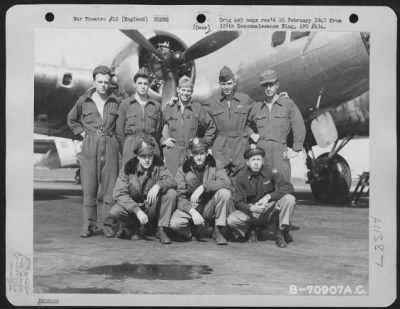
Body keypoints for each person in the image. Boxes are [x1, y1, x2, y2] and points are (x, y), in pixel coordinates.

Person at [67, 65, 121, 238]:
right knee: (90, 187)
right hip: (90, 144)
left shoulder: (116, 101)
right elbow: (71, 119)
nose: (103, 85)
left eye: (106, 82)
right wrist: (82, 133)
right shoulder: (84, 100)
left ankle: (108, 224)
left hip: (110, 142)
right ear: (94, 82)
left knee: (110, 188)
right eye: (100, 82)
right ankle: (89, 225)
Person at [227, 144, 296, 248]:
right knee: (232, 220)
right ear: (248, 162)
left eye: (258, 160)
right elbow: (237, 201)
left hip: (268, 210)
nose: (256, 163)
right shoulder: (241, 176)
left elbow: (288, 187)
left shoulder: (271, 171)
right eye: (253, 160)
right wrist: (250, 208)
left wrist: (269, 197)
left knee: (289, 199)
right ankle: (250, 230)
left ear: (263, 161)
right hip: (251, 212)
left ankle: (281, 233)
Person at [110, 138, 177, 244]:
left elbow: (172, 180)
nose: (147, 160)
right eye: (143, 156)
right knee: (115, 211)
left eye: (150, 156)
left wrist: (159, 185)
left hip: (151, 207)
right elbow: (119, 194)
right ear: (137, 157)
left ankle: (162, 229)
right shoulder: (128, 169)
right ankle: (131, 228)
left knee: (171, 193)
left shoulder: (159, 165)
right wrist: (136, 210)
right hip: (134, 208)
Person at [169, 138, 232, 245]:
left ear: (207, 153)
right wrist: (191, 211)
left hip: (208, 205)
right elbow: (180, 198)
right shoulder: (183, 169)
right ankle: (191, 231)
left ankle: (218, 230)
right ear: (190, 154)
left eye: (202, 153)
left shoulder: (215, 165)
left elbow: (226, 183)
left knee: (225, 193)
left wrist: (204, 187)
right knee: (175, 224)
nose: (199, 157)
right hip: (191, 206)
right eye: (195, 153)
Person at [247, 69, 306, 182]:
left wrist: (296, 149)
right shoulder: (257, 107)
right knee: (262, 188)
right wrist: (251, 134)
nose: (268, 89)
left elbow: (299, 125)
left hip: (280, 152)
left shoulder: (287, 104)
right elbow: (241, 122)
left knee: (282, 187)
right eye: (265, 86)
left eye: (271, 85)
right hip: (262, 152)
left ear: (277, 85)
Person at [202, 66, 254, 178]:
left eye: (229, 83)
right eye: (224, 84)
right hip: (220, 145)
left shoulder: (245, 100)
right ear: (220, 84)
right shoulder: (212, 102)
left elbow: (259, 112)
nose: (227, 87)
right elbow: (196, 114)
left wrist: (279, 99)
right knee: (220, 177)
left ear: (234, 83)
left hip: (240, 145)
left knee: (241, 178)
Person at [161, 75, 216, 176]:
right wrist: (163, 140)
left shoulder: (197, 108)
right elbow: (156, 127)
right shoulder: (169, 108)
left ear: (192, 92)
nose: (185, 93)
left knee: (191, 181)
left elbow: (211, 127)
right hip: (174, 154)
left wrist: (202, 145)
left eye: (188, 91)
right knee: (174, 182)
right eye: (183, 90)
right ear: (178, 90)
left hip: (191, 153)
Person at [116, 68, 163, 167]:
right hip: (131, 145)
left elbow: (159, 130)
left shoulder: (156, 106)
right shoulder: (125, 105)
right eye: (140, 83)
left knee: (151, 176)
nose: (143, 86)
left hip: (151, 144)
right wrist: (127, 145)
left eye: (145, 84)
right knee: (130, 176)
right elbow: (119, 130)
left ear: (149, 85)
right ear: (134, 85)